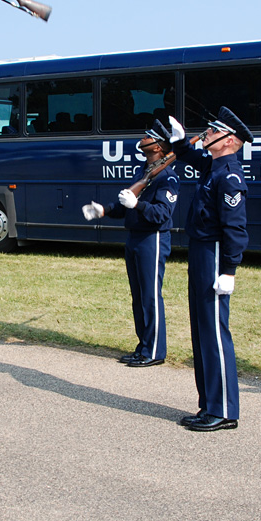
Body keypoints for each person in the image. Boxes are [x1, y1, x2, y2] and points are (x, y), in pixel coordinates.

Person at [169, 107, 252, 432]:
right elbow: (190, 155)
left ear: (228, 140)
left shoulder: (228, 174)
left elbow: (235, 229)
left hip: (215, 254)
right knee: (202, 330)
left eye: (212, 131)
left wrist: (229, 270)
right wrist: (178, 141)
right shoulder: (214, 166)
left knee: (215, 333)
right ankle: (209, 405)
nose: (206, 133)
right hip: (201, 251)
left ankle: (224, 410)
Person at [82, 119, 179, 367]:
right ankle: (143, 345)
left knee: (150, 296)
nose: (143, 138)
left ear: (158, 146)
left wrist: (138, 204)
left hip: (152, 238)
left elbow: (162, 214)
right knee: (138, 296)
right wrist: (104, 210)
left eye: (149, 136)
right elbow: (126, 204)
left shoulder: (166, 177)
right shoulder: (143, 170)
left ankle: (155, 351)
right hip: (135, 236)